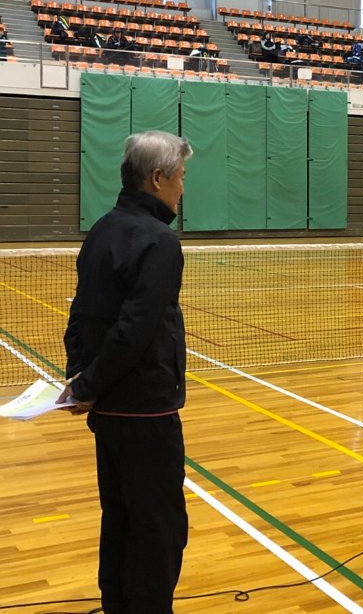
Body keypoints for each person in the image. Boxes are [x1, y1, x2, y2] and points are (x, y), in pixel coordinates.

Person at [58, 131, 193, 613]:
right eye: (180, 177)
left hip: (108, 410)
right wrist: (88, 385)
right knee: (159, 531)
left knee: (119, 520)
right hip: (146, 414)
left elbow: (82, 315)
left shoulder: (103, 228)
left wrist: (82, 382)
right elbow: (134, 330)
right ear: (157, 179)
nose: (182, 187)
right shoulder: (160, 241)